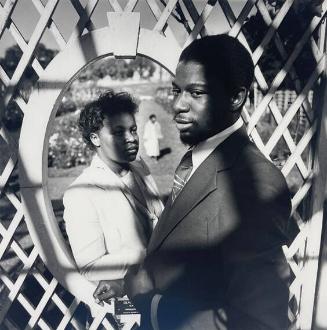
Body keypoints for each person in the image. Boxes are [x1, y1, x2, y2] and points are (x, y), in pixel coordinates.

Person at [124, 35, 298, 330]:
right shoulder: (197, 159)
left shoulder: (254, 183)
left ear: (235, 98)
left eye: (196, 92)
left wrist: (151, 305)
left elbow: (258, 321)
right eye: (176, 91)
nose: (178, 104)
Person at [63, 91, 163, 305]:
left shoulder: (139, 167)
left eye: (133, 130)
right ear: (95, 138)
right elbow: (90, 265)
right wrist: (151, 254)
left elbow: (157, 217)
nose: (131, 139)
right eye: (118, 132)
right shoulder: (81, 192)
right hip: (126, 305)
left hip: (165, 292)